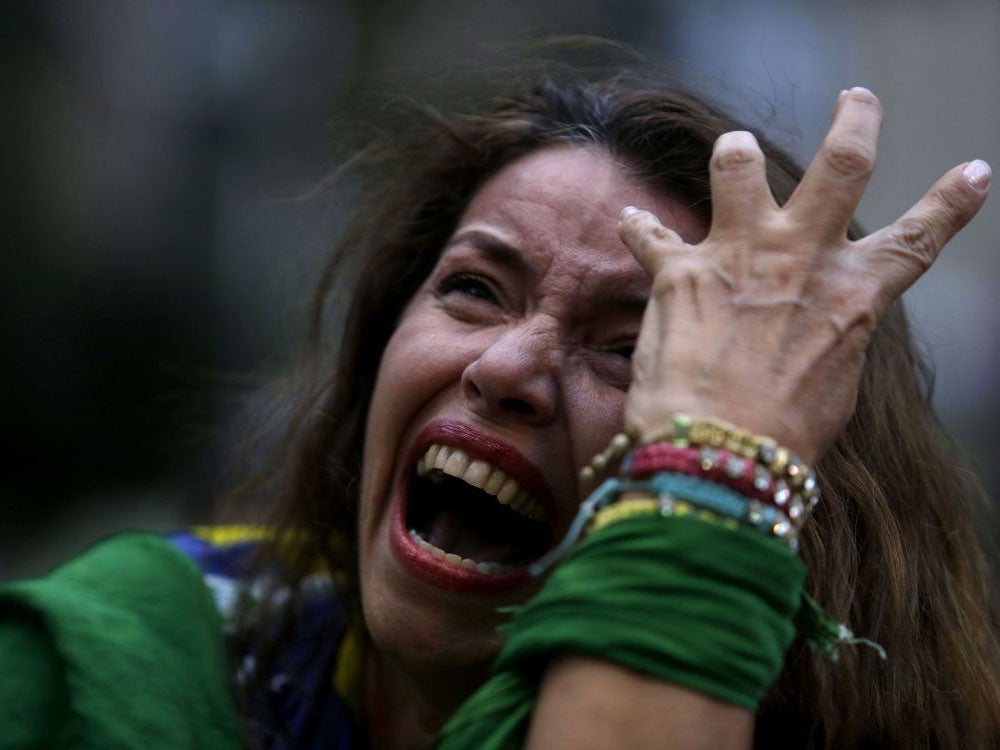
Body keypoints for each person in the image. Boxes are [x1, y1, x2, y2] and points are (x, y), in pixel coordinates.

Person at [2, 55, 999, 748]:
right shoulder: (119, 657)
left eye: (634, 348)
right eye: (474, 288)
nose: (507, 368)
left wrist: (716, 472)